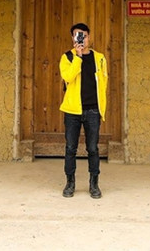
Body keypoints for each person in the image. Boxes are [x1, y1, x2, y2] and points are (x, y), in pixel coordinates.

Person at [59, 22, 108, 199]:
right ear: (72, 38)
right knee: (70, 148)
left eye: (84, 35)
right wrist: (78, 56)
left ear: (89, 37)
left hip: (93, 110)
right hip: (72, 110)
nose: (81, 39)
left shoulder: (100, 58)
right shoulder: (67, 57)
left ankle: (94, 183)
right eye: (77, 36)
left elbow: (103, 84)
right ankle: (70, 183)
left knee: (93, 148)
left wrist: (102, 107)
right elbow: (68, 77)